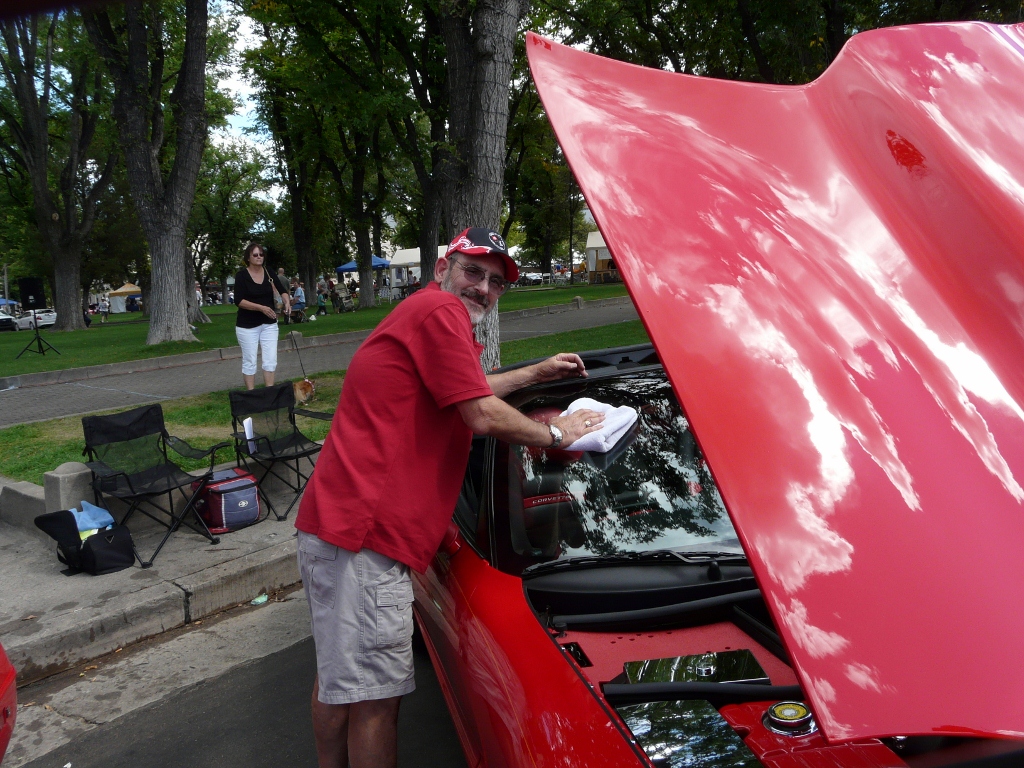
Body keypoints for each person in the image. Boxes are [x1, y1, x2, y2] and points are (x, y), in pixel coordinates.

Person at [293, 226, 604, 768]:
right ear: (443, 268)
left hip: (341, 527)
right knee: (373, 700)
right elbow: (479, 413)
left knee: (343, 681)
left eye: (496, 282)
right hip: (368, 538)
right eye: (473, 271)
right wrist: (561, 433)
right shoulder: (440, 312)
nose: (483, 288)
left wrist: (535, 372)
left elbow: (467, 390)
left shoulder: (424, 314)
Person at [233, 242, 287, 390]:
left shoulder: (269, 272)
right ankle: (251, 393)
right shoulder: (242, 276)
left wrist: (287, 301)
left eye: (261, 254)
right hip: (247, 325)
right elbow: (238, 300)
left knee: (270, 359)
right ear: (248, 258)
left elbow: (282, 290)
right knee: (250, 360)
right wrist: (261, 308)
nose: (259, 257)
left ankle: (269, 391)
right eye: (255, 255)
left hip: (269, 324)